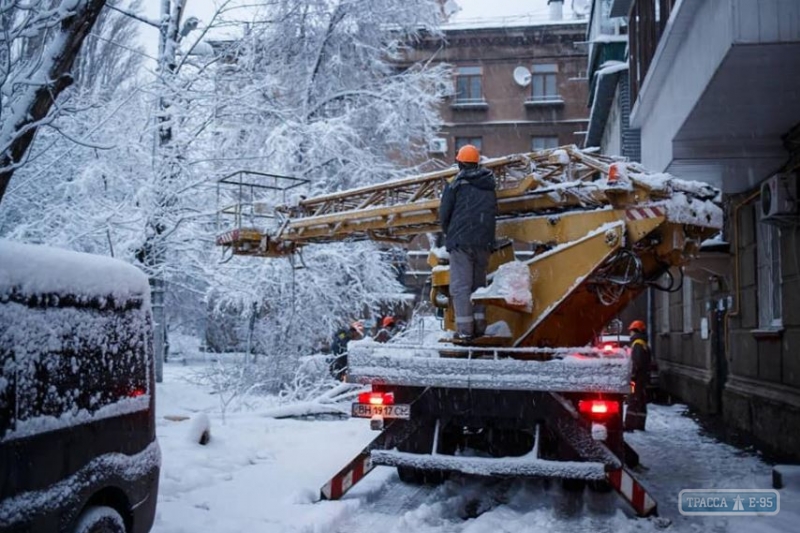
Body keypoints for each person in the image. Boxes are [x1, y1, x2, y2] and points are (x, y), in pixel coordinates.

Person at [439, 144, 497, 340]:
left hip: (461, 243)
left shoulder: (455, 184)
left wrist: (450, 234)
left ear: (460, 163)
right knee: (479, 285)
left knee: (461, 287)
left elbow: (444, 214)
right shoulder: (489, 185)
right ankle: (480, 325)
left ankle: (465, 331)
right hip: (484, 242)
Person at [625, 319, 651, 431]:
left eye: (631, 331)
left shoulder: (637, 344)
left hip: (637, 378)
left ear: (636, 331)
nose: (630, 333)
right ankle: (640, 424)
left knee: (633, 400)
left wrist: (633, 375)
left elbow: (637, 362)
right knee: (640, 401)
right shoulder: (644, 344)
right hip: (643, 378)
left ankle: (629, 424)